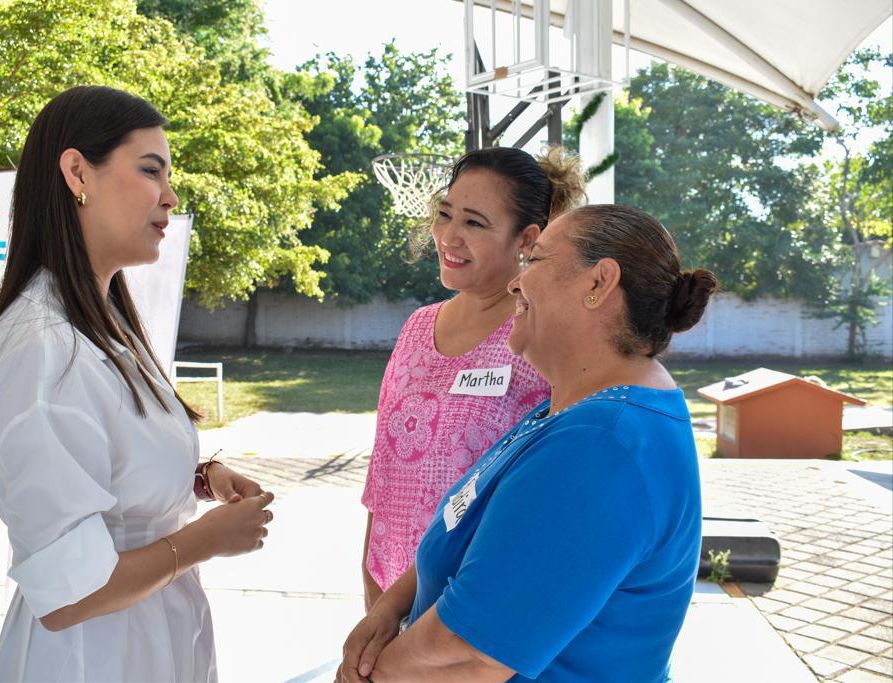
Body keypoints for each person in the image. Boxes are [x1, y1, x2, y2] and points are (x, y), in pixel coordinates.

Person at [338, 204, 718, 682]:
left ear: (599, 283)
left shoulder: (600, 445)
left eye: (535, 260)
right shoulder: (569, 413)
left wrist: (367, 675)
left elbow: (470, 652)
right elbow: (468, 535)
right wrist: (389, 608)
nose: (515, 283)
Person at [0, 86, 274, 682]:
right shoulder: (43, 347)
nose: (170, 197)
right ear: (78, 173)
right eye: (151, 171)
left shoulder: (102, 322)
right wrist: (204, 540)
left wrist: (196, 478)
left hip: (147, 641)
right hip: (91, 659)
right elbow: (67, 594)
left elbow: (107, 465)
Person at [360, 147, 585, 610]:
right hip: (390, 596)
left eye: (474, 223)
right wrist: (373, 597)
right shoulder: (417, 327)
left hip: (481, 604)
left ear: (527, 239)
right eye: (445, 214)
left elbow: (556, 497)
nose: (449, 236)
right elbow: (384, 473)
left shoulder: (540, 340)